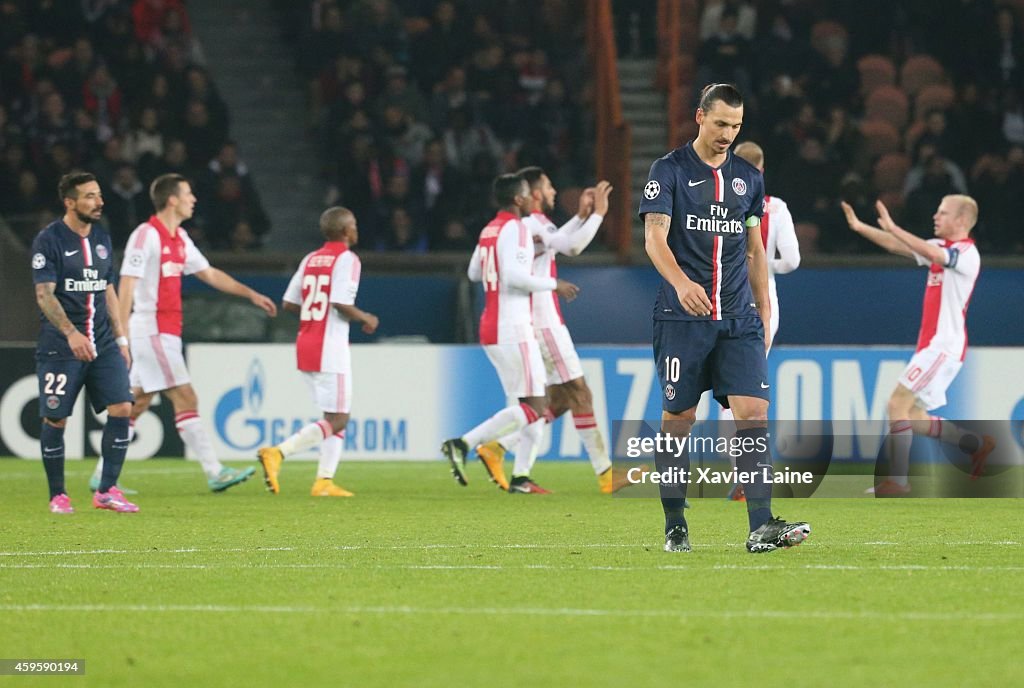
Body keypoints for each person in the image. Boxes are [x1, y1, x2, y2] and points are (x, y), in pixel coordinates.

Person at [639, 83, 810, 553]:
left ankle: (761, 526)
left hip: (738, 317)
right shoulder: (668, 171)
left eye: (735, 127)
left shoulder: (747, 180)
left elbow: (755, 249)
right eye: (720, 124)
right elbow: (655, 238)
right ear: (699, 117)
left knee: (753, 413)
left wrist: (764, 306)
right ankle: (675, 519)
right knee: (680, 417)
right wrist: (680, 283)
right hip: (682, 316)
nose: (727, 135)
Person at [90, 173, 277, 492]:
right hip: (152, 329)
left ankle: (102, 475)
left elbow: (210, 274)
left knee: (137, 402)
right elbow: (127, 284)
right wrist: (120, 336)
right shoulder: (146, 235)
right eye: (188, 194)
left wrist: (250, 294)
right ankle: (214, 471)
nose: (194, 199)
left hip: (163, 332)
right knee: (185, 396)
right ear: (172, 199)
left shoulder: (180, 239)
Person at [475, 168, 625, 493]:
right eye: (548, 186)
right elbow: (571, 248)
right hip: (544, 322)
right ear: (535, 193)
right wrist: (598, 215)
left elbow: (556, 243)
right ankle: (606, 475)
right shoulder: (530, 223)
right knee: (580, 393)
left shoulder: (528, 226)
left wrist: (581, 218)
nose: (554, 191)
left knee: (557, 399)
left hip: (538, 320)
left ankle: (500, 448)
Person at [841, 196, 995, 494]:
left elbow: (928, 251)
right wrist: (860, 227)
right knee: (912, 416)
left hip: (943, 346)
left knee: (895, 403)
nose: (936, 216)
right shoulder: (943, 249)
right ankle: (975, 445)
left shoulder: (966, 253)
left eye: (943, 212)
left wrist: (895, 227)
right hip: (933, 347)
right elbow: (899, 246)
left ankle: (897, 482)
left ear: (962, 220)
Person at [441, 173, 578, 492]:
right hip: (514, 325)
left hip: (491, 324)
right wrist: (552, 284)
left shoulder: (490, 228)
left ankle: (520, 477)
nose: (533, 198)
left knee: (529, 404)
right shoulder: (516, 227)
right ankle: (463, 444)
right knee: (537, 406)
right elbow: (516, 277)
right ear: (518, 199)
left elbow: (475, 271)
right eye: (528, 193)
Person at [31, 171, 138, 513]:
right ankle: (58, 495)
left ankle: (107, 490)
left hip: (103, 343)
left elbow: (108, 290)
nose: (99, 201)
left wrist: (121, 338)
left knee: (123, 407)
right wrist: (71, 333)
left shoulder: (102, 239)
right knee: (56, 419)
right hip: (61, 346)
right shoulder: (49, 241)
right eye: (90, 196)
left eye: (99, 194)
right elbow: (44, 295)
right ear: (70, 202)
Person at [256, 207, 378, 496]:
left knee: (333, 414)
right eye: (355, 225)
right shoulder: (347, 259)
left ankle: (324, 480)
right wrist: (365, 317)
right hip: (330, 346)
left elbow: (288, 303)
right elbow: (339, 302)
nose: (357, 230)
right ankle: (278, 453)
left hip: (306, 342)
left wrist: (315, 312)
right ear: (346, 231)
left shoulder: (311, 258)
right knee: (339, 418)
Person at [723, 141, 801, 501]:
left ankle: (746, 473)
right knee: (747, 386)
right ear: (763, 170)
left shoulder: (718, 199)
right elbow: (793, 261)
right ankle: (750, 472)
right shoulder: (778, 208)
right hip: (764, 300)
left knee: (725, 389)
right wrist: (765, 267)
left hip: (722, 297)